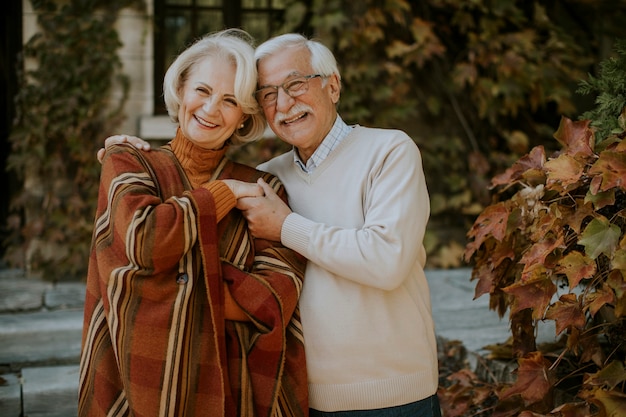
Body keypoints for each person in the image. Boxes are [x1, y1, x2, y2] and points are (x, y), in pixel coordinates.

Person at [101, 33, 440, 416]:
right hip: (301, 396)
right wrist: (130, 158)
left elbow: (383, 262)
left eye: (296, 84)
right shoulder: (266, 178)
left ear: (333, 85)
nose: (284, 104)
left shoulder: (388, 151)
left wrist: (285, 226)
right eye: (268, 94)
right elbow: (134, 256)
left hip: (393, 397)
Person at [80, 29, 308, 417]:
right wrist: (225, 193)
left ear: (243, 117)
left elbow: (275, 298)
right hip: (140, 382)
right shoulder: (128, 162)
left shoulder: (265, 188)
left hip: (235, 390)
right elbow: (146, 241)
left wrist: (160, 287)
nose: (211, 109)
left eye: (230, 100)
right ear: (181, 89)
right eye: (202, 90)